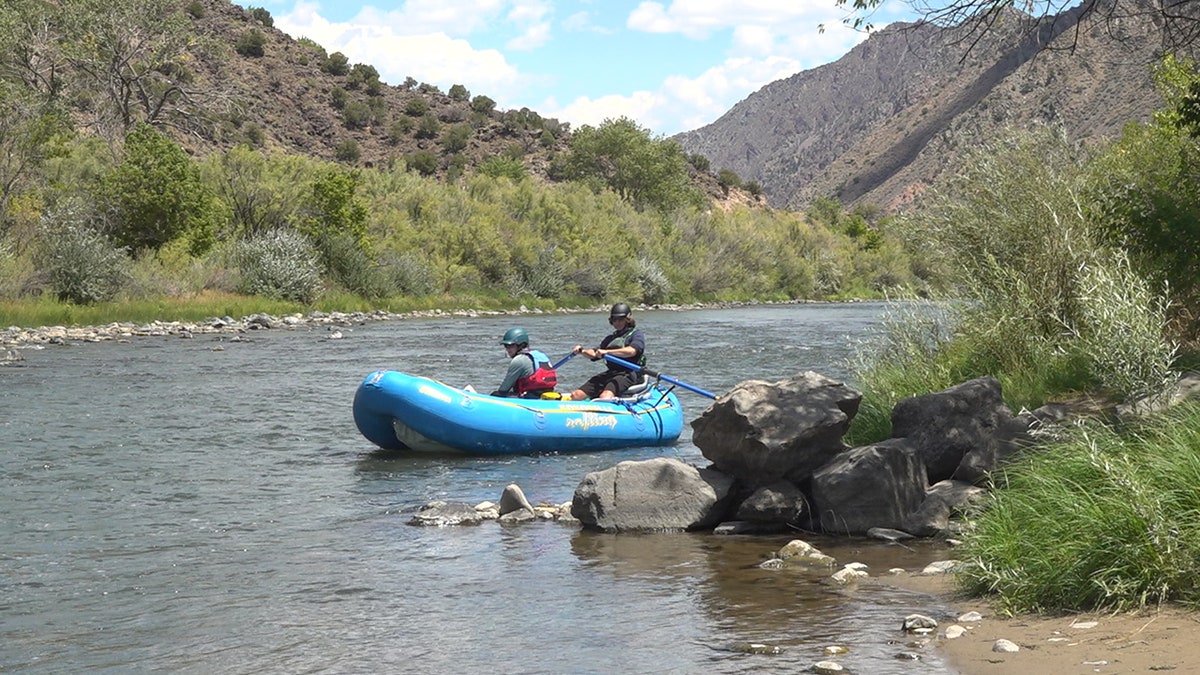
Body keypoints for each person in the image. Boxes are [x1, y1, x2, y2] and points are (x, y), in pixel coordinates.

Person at [569, 302, 646, 400]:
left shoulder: (636, 334)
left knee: (605, 396)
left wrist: (607, 352)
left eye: (620, 319)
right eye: (614, 320)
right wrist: (582, 351)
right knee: (576, 395)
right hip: (611, 373)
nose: (617, 322)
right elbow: (594, 353)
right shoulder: (610, 338)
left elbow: (632, 351)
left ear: (628, 320)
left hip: (628, 373)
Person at [491, 327, 558, 398]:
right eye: (506, 346)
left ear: (521, 345)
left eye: (510, 346)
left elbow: (504, 389)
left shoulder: (519, 360)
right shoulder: (540, 355)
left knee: (496, 394)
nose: (507, 349)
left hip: (530, 397)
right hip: (546, 394)